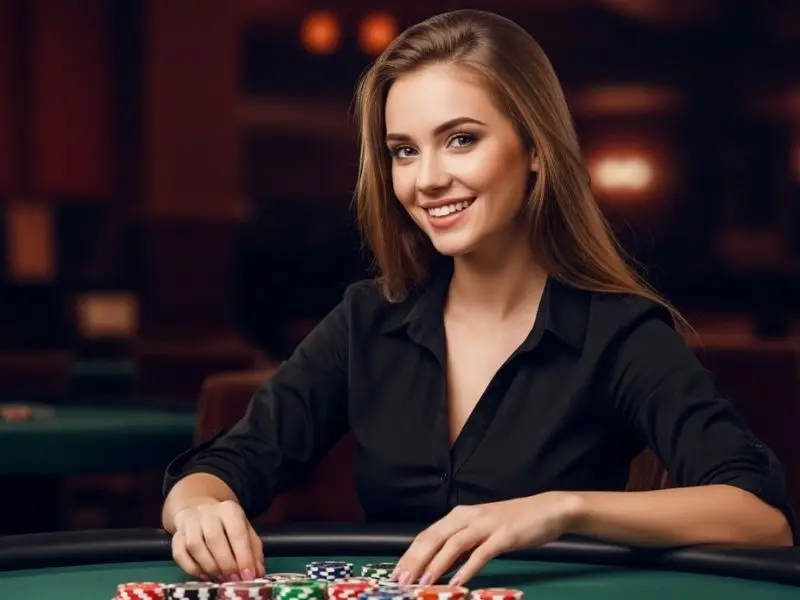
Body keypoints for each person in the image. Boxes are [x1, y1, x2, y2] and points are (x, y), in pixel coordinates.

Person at [161, 8, 796, 587]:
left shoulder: (617, 331)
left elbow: (761, 517)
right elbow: (224, 466)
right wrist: (197, 508)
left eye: (461, 139)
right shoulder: (368, 321)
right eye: (404, 151)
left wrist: (559, 510)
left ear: (537, 151)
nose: (428, 178)